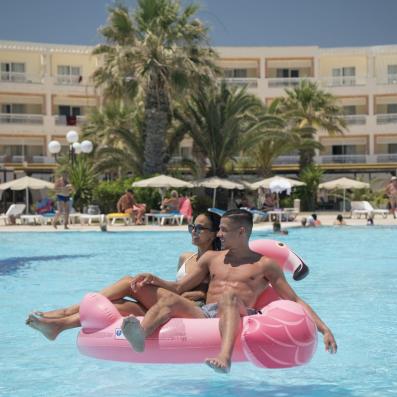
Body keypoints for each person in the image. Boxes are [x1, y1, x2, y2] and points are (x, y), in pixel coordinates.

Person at [121, 209, 337, 374]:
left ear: (241, 231)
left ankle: (225, 357)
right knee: (169, 298)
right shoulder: (211, 258)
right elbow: (179, 287)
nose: (219, 234)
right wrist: (154, 279)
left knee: (229, 297)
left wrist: (324, 329)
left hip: (239, 311)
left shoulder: (264, 265)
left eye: (224, 230)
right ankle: (140, 335)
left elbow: (294, 300)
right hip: (206, 313)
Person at [25, 212, 221, 340]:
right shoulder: (185, 258)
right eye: (191, 227)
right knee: (117, 305)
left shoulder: (215, 261)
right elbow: (177, 285)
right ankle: (60, 325)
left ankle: (65, 311)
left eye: (200, 228)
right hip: (164, 305)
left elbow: (186, 291)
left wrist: (154, 279)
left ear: (213, 234)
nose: (193, 232)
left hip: (184, 308)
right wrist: (158, 284)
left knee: (129, 281)